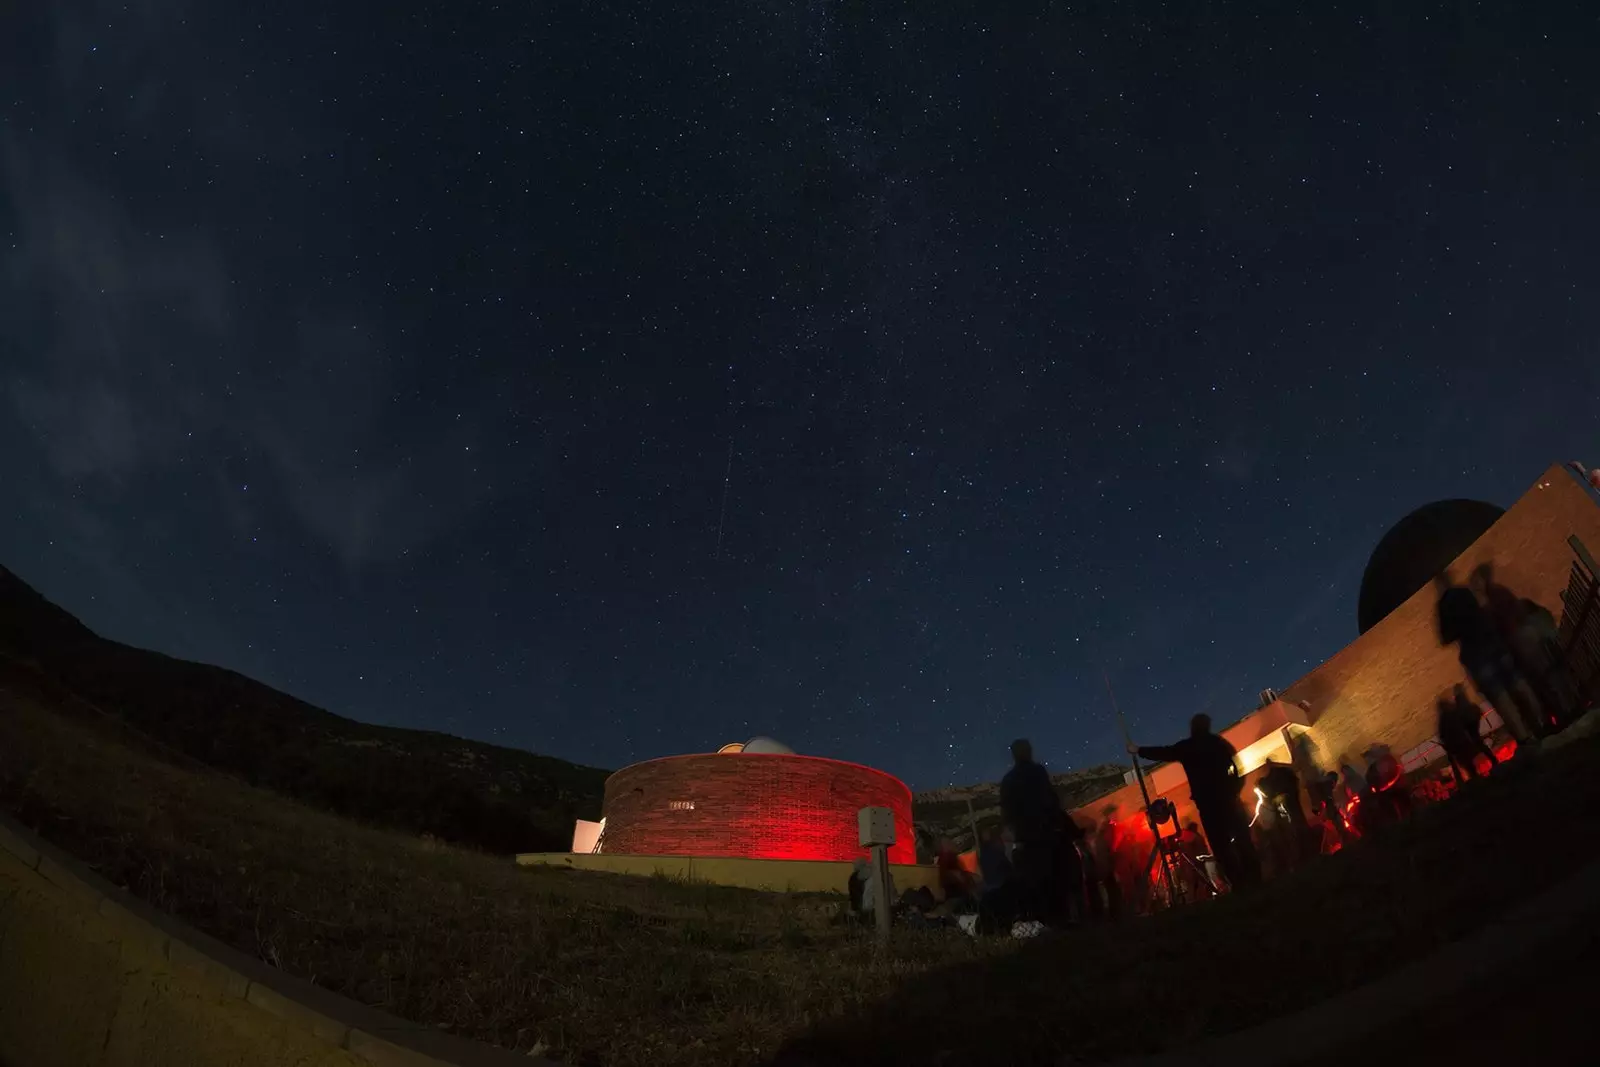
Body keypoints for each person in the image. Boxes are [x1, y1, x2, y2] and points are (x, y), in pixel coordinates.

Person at [1131, 715, 1261, 890]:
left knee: (1221, 846)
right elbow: (1237, 765)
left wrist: (1138, 750)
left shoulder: (1188, 747)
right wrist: (1235, 788)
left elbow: (1164, 752)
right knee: (1243, 840)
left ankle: (1239, 883)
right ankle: (1255, 879)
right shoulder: (1218, 743)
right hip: (1228, 799)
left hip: (1208, 805)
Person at [1436, 571, 1543, 748]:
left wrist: (1457, 628)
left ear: (1439, 585)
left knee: (1500, 696)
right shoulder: (1465, 592)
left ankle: (1525, 738)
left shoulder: (1443, 606)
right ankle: (1542, 723)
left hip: (1476, 654)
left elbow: (1445, 638)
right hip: (1493, 643)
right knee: (1518, 683)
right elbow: (1481, 612)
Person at [999, 738, 1063, 921]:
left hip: (1025, 837)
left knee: (1032, 880)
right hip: (1043, 833)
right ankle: (1055, 918)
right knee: (1048, 877)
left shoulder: (1009, 780)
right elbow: (1050, 799)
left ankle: (1039, 920)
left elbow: (1006, 812)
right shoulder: (1038, 772)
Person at [1437, 684, 1497, 784]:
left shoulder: (1449, 714)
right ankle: (1492, 761)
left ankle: (1475, 777)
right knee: (1479, 746)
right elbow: (1476, 712)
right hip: (1468, 734)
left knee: (1468, 762)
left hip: (1461, 741)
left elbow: (1444, 733)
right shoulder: (1463, 706)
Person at [976, 823, 1012, 890]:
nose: (986, 835)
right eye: (984, 833)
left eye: (987, 832)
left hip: (999, 880)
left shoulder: (994, 846)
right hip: (995, 882)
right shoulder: (985, 850)